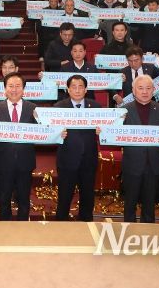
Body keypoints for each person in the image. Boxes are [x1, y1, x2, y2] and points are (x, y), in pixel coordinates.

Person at [121, 75, 159, 223]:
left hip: (153, 164)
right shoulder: (124, 110)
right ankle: (128, 232)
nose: (145, 91)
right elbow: (115, 134)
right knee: (130, 203)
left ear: (153, 90)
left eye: (148, 88)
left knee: (149, 205)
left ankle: (147, 232)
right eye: (140, 88)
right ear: (133, 90)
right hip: (132, 163)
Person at [53, 75, 100, 221]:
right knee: (64, 195)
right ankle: (61, 222)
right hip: (67, 159)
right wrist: (57, 133)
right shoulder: (58, 107)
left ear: (86, 89)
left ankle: (86, 223)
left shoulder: (96, 107)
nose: (77, 90)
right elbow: (50, 132)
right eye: (74, 87)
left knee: (88, 195)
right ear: (68, 89)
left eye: (81, 87)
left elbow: (107, 129)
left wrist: (102, 131)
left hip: (89, 158)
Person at [0, 72, 37, 221]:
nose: (14, 89)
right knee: (4, 198)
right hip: (4, 162)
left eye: (18, 86)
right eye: (10, 86)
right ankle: (5, 227)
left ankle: (23, 227)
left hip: (25, 161)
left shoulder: (33, 109)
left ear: (23, 89)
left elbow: (45, 131)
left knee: (24, 199)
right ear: (5, 89)